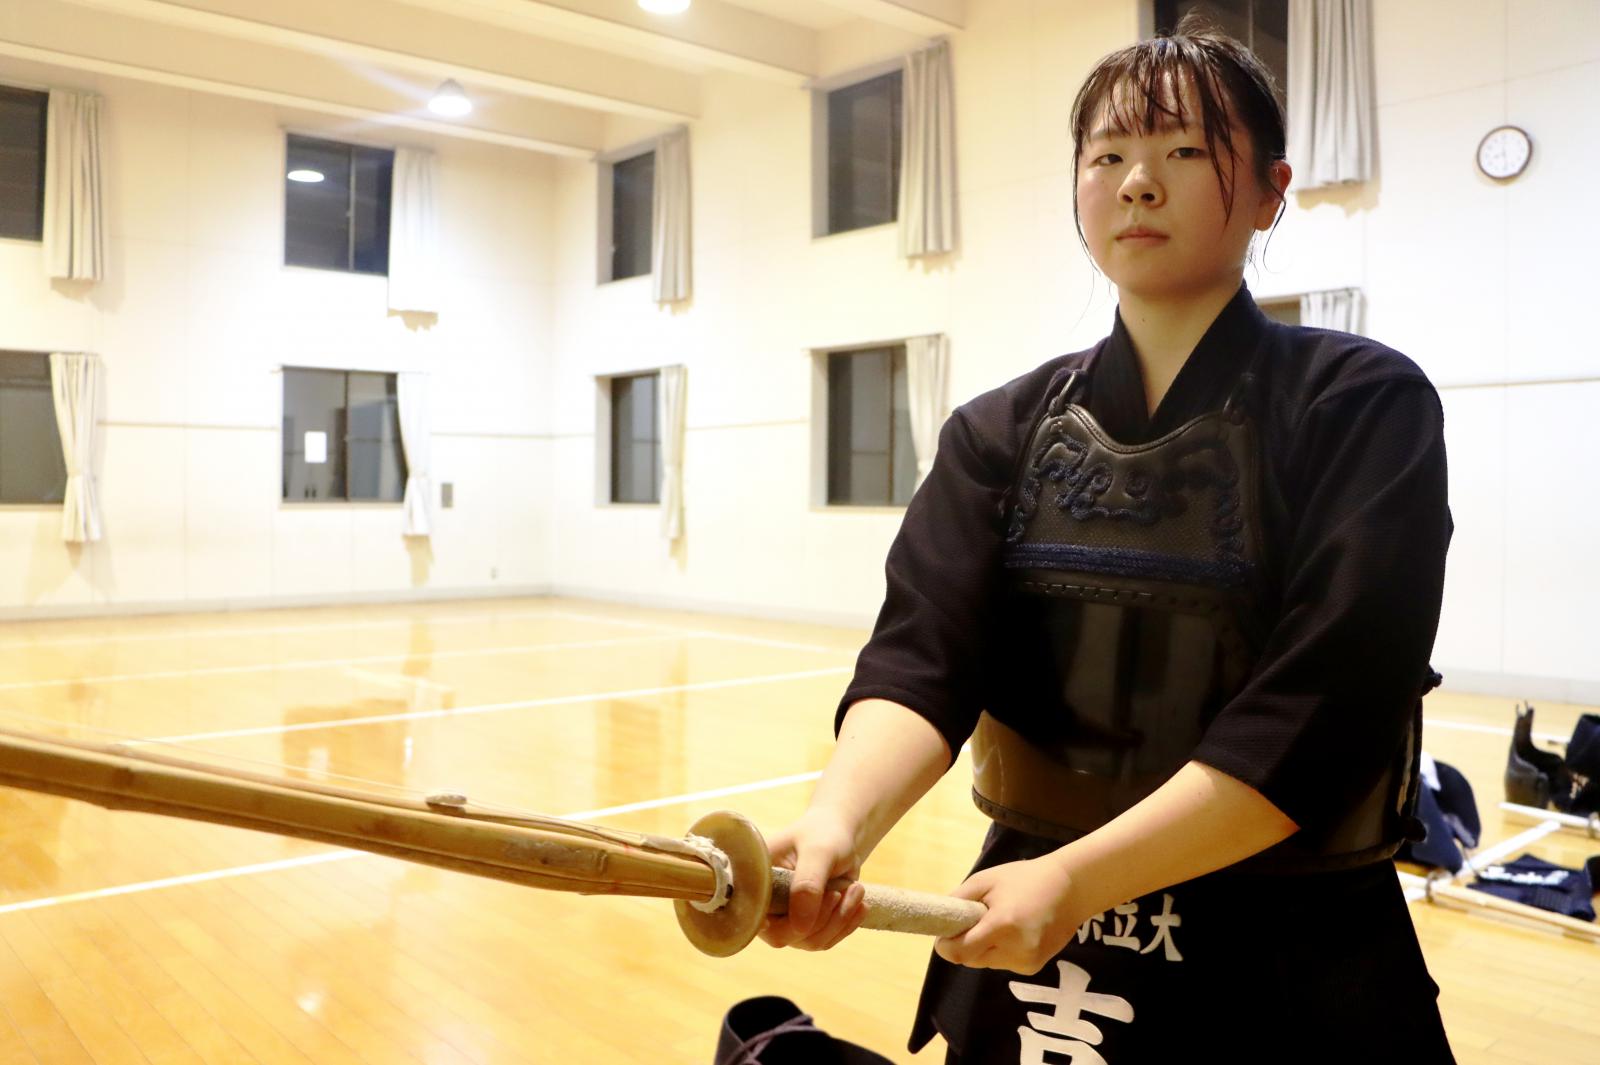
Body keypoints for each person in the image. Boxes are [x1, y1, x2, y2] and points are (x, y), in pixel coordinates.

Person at [760, 19, 1457, 1064]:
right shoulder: (999, 429)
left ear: (1270, 192)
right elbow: (923, 655)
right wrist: (836, 824)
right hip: (1033, 913)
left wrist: (1082, 879)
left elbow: (1327, 702)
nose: (1137, 183)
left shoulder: (1359, 405)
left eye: (1183, 151)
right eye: (1107, 156)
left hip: (1284, 933)